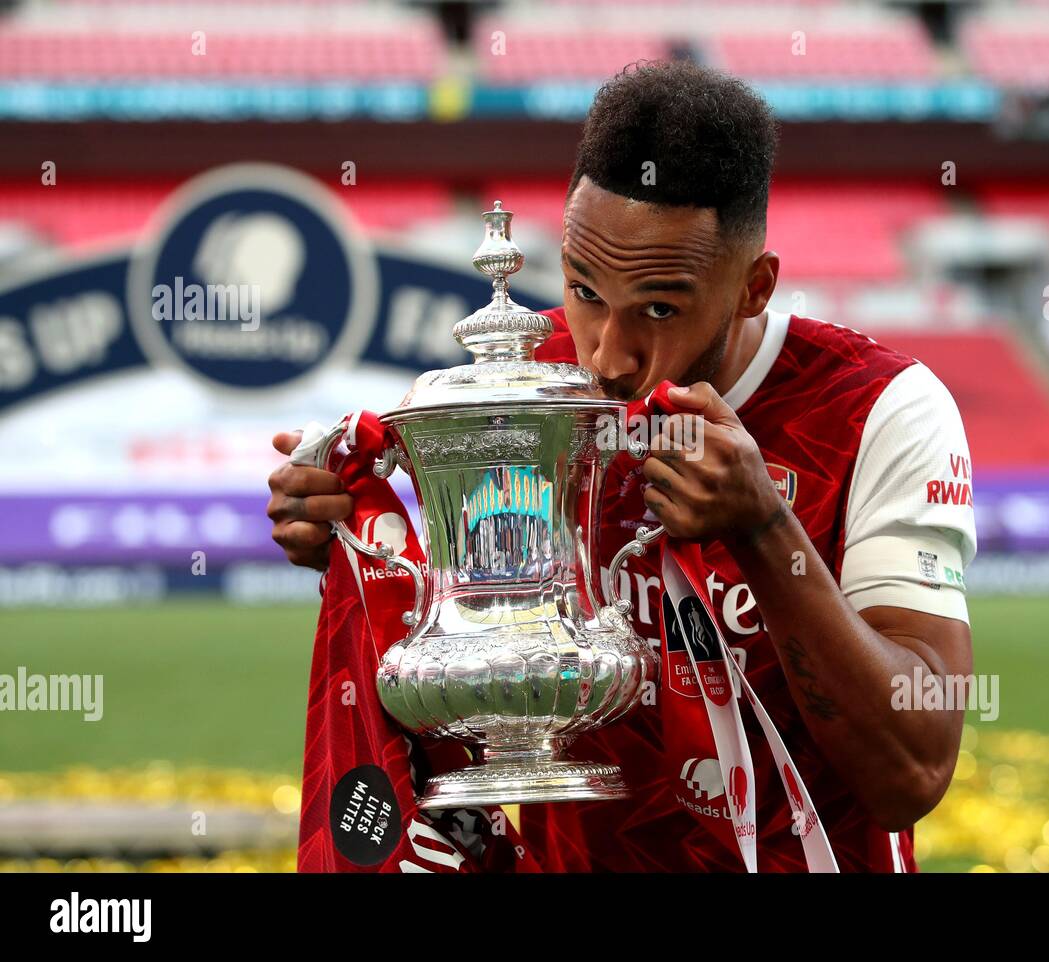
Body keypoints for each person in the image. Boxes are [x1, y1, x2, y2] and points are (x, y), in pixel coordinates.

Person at [268, 60, 977, 872]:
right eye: (584, 289)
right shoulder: (529, 393)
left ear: (754, 287)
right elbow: (470, 662)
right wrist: (361, 546)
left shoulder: (876, 409)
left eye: (660, 309)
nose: (607, 354)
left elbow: (913, 770)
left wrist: (765, 531)